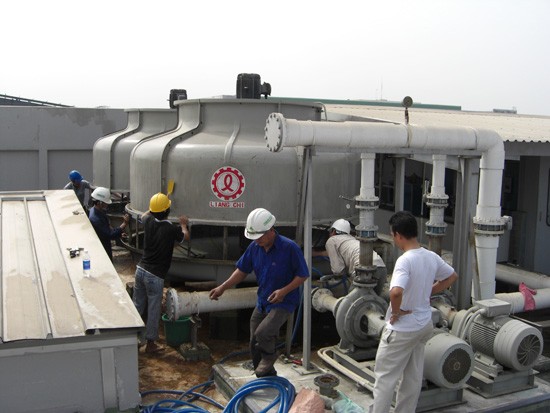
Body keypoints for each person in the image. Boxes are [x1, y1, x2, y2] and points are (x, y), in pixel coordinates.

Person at [370, 211, 458, 413]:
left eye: (392, 235)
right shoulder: (430, 256)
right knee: (412, 377)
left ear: (398, 235)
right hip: (423, 325)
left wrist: (396, 312)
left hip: (403, 328)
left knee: (385, 379)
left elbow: (396, 292)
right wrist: (429, 291)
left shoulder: (405, 260)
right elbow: (452, 276)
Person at [209, 208, 309, 377]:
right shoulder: (255, 247)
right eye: (254, 237)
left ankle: (270, 357)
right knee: (254, 342)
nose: (257, 240)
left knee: (263, 333)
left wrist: (283, 291)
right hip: (264, 300)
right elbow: (242, 270)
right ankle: (265, 376)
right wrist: (222, 287)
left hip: (283, 301)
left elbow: (303, 275)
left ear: (271, 230)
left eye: (260, 236)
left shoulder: (289, 248)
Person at [133, 192, 189, 354]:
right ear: (167, 211)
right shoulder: (170, 229)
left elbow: (144, 215)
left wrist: (155, 206)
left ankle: (132, 340)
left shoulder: (148, 221)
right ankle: (150, 344)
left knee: (137, 306)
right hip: (155, 275)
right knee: (153, 309)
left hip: (140, 269)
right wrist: (183, 225)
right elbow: (185, 237)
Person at [316, 218, 387, 294]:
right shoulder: (353, 239)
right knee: (374, 298)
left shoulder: (332, 240)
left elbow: (338, 270)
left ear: (333, 231)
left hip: (363, 270)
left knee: (352, 300)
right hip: (381, 267)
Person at [88, 187, 129, 261]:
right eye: (106, 203)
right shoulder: (95, 219)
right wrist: (124, 224)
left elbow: (107, 227)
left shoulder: (96, 210)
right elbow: (110, 235)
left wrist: (119, 234)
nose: (107, 204)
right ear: (100, 203)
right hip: (102, 247)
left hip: (103, 241)